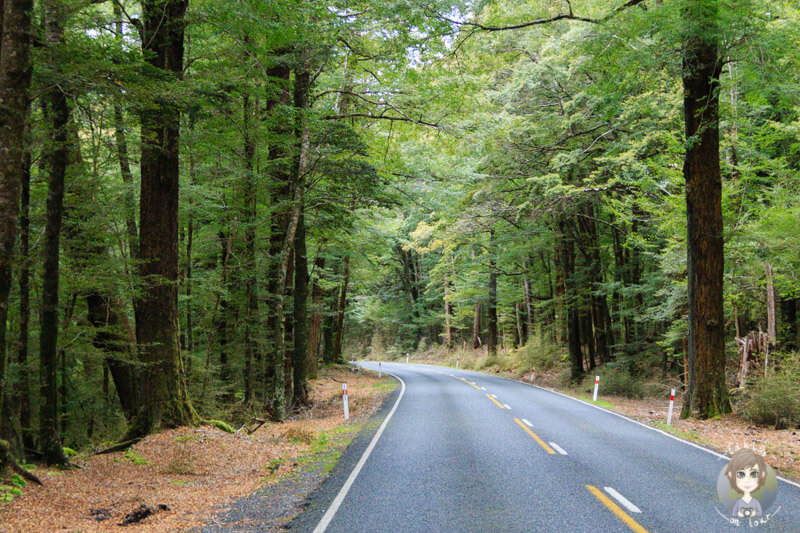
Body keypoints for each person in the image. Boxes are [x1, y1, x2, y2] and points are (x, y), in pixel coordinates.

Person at [725, 449, 767, 518]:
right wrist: (739, 514)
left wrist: (753, 513)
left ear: (762, 475)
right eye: (741, 474)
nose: (747, 480)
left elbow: (759, 513)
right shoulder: (738, 502)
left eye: (754, 474)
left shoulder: (755, 502)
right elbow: (734, 513)